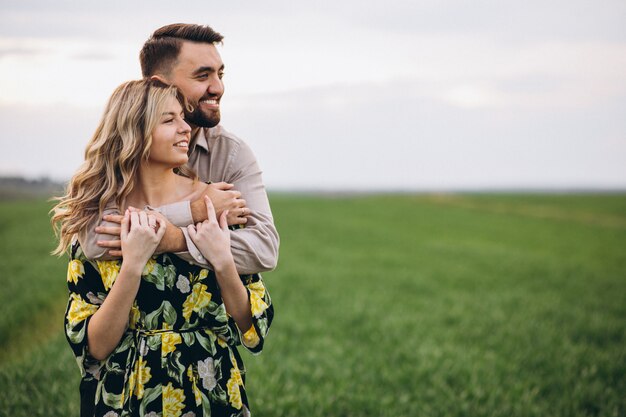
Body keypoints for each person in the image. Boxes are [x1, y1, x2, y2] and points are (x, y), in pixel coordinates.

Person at [52, 79, 274, 416]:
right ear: (134, 132)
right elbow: (94, 347)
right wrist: (132, 266)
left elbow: (251, 327)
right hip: (129, 396)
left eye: (182, 117)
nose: (186, 128)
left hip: (212, 391)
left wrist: (223, 260)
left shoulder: (217, 203)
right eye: (169, 120)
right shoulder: (101, 222)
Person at [81, 23, 279, 275]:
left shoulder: (230, 154)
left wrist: (177, 240)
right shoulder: (122, 149)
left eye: (220, 74)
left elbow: (263, 249)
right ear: (159, 84)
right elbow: (96, 241)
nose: (218, 87)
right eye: (202, 75)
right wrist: (194, 212)